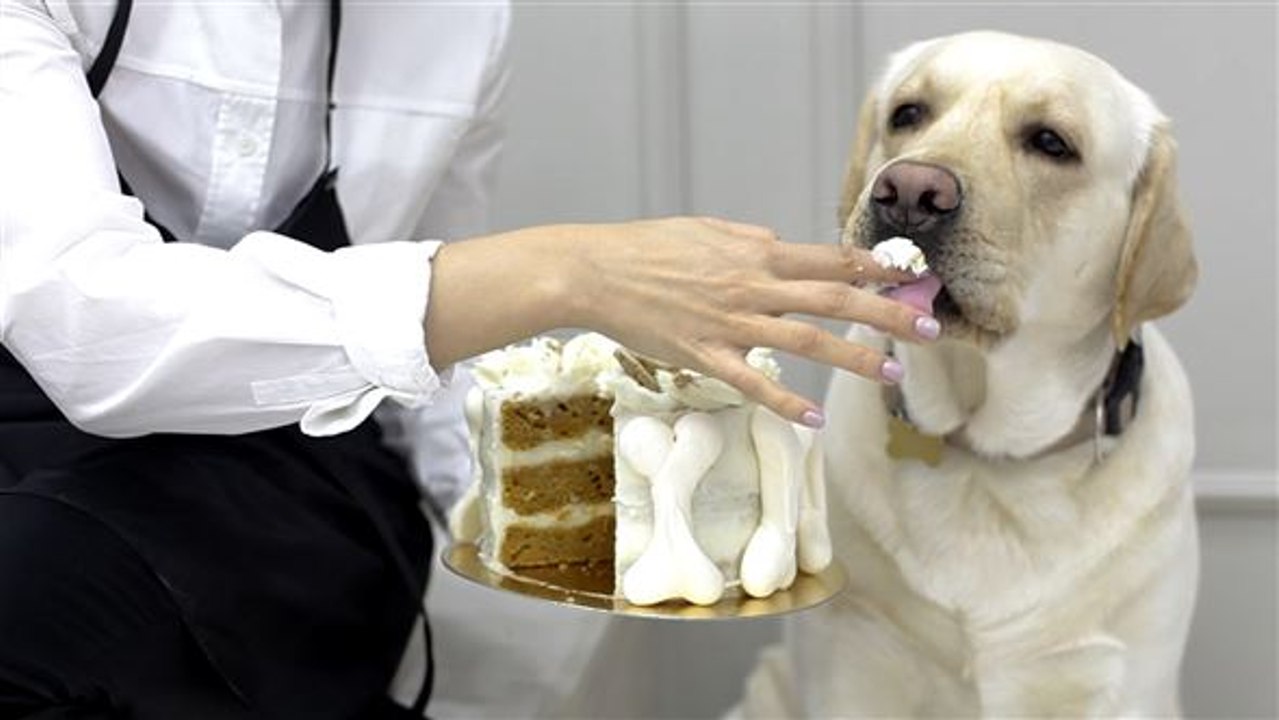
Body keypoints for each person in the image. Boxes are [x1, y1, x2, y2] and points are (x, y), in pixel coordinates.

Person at [0, 1, 938, 718]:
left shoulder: (460, 22)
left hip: (290, 481)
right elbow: (87, 331)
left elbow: (439, 359)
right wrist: (568, 269)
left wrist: (581, 520)